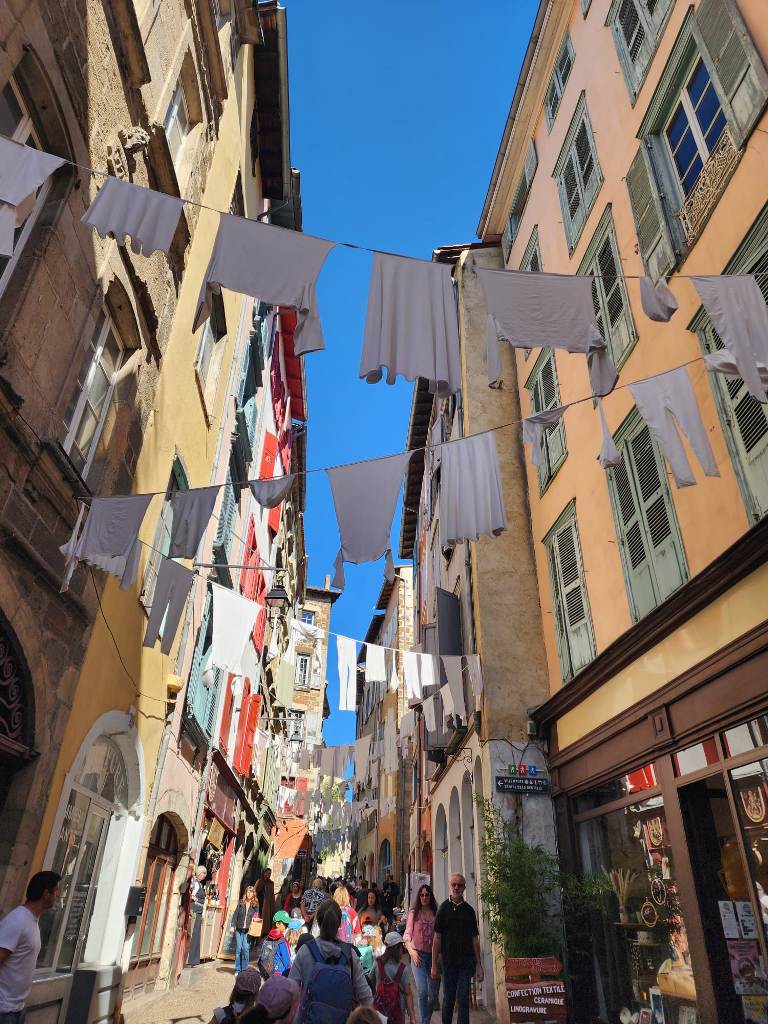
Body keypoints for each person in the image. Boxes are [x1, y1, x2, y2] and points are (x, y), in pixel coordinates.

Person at [288, 899, 373, 1020]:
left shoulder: (305, 951)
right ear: (339, 924)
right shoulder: (350, 954)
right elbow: (365, 995)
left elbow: (291, 991)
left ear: (318, 922)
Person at [0, 870, 61, 1024]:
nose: (58, 895)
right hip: (3, 1010)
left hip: (17, 1009)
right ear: (46, 893)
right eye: (56, 890)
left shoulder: (32, 921)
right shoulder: (18, 920)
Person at [430, 874, 483, 1024]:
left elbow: (474, 939)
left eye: (459, 885)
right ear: (450, 886)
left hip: (466, 963)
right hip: (448, 963)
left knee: (463, 998)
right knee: (449, 999)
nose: (456, 888)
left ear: (464, 888)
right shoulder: (443, 909)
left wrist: (479, 965)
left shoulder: (469, 911)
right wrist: (434, 965)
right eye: (454, 885)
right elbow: (437, 938)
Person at [404, 884, 438, 1024]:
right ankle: (425, 1022)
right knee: (422, 991)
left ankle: (426, 1019)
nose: (424, 897)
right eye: (422, 895)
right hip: (418, 956)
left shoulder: (436, 913)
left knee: (433, 995)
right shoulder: (414, 913)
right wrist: (411, 951)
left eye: (427, 895)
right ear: (419, 896)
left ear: (430, 896)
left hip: (434, 958)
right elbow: (407, 934)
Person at [371, 932, 417, 1024]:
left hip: (380, 1014)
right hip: (397, 1015)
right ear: (397, 948)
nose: (402, 949)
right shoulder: (402, 969)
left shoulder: (377, 964)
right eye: (401, 947)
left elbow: (370, 981)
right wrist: (412, 1017)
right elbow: (408, 994)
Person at [231, 884, 258, 974]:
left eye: (251, 892)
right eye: (248, 892)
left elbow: (256, 915)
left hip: (248, 930)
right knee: (239, 949)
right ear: (245, 893)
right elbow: (235, 914)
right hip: (239, 929)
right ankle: (238, 969)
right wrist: (232, 925)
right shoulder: (241, 902)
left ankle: (245, 969)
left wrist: (255, 919)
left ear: (253, 894)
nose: (249, 894)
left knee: (245, 948)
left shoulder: (255, 904)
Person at [258, 911, 292, 978]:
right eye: (285, 924)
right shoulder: (282, 941)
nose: (286, 927)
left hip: (266, 973)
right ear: (277, 924)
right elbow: (287, 961)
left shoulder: (266, 938)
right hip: (279, 975)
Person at [187, 865, 208, 967]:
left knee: (196, 935)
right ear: (199, 873)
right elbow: (191, 895)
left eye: (204, 874)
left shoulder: (199, 884)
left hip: (199, 912)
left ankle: (193, 960)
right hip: (195, 911)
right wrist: (194, 898)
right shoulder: (195, 883)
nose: (204, 876)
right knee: (194, 934)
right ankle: (190, 960)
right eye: (203, 874)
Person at [255, 869, 276, 938]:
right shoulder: (259, 881)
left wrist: (273, 906)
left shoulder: (271, 883)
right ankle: (255, 937)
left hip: (267, 906)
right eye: (267, 873)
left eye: (270, 873)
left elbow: (272, 896)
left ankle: (263, 935)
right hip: (259, 905)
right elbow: (255, 892)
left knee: (265, 922)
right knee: (257, 920)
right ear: (264, 873)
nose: (268, 875)